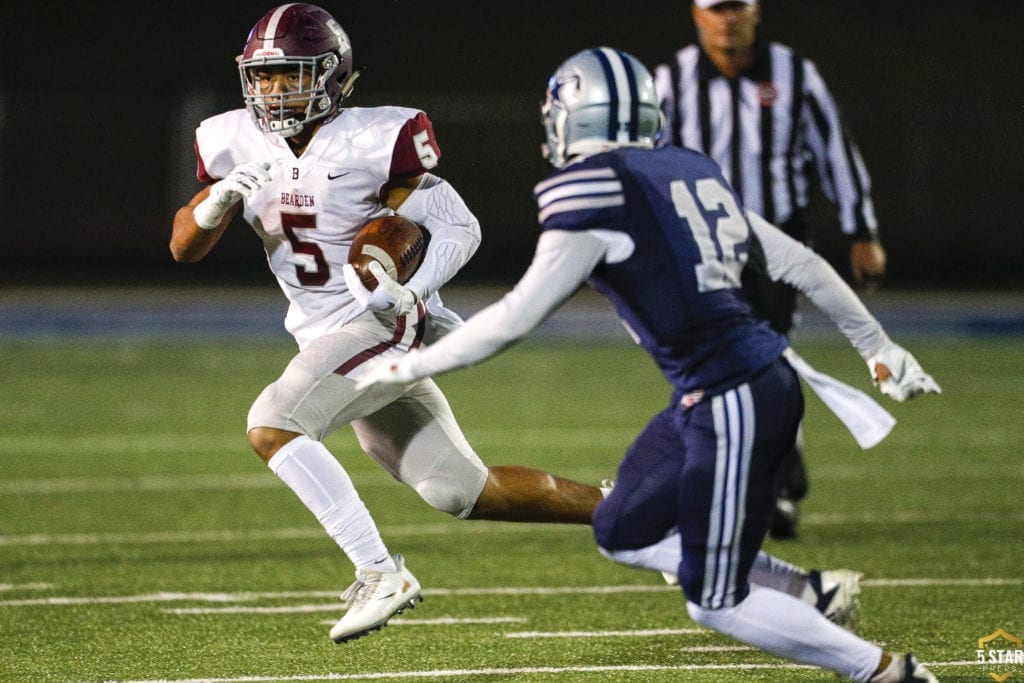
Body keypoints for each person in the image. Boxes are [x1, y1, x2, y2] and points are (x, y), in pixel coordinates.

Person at [356, 47, 940, 682]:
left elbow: (520, 315)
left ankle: (886, 673)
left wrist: (410, 366)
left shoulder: (591, 189)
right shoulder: (683, 167)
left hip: (736, 395)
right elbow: (797, 262)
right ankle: (801, 588)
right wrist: (877, 347)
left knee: (716, 604)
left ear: (577, 114)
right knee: (619, 527)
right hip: (715, 392)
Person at [169, 3, 608, 644]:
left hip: (380, 325)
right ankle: (634, 511)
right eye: (262, 77)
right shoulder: (229, 137)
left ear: (332, 76)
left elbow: (459, 224)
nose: (272, 90)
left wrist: (411, 292)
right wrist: (219, 202)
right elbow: (183, 248)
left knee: (273, 423)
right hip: (323, 334)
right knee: (462, 492)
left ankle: (380, 573)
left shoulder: (380, 137)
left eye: (290, 75)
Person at [654, 0, 888, 539]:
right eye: (717, 9)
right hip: (698, 244)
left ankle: (777, 484)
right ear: (698, 15)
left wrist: (862, 232)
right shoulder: (672, 80)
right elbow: (646, 159)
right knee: (710, 365)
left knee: (768, 355)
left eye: (737, 7)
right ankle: (745, 481)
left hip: (777, 242)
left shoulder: (795, 75)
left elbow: (836, 153)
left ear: (756, 13)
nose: (727, 19)